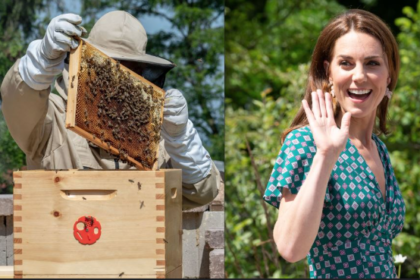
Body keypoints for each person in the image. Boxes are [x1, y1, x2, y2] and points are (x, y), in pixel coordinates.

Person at [1, 10, 221, 210]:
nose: (117, 83)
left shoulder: (157, 141)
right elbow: (18, 105)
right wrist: (39, 63)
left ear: (142, 75)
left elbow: (202, 191)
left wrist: (180, 137)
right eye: (107, 67)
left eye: (128, 70)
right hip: (61, 250)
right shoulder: (53, 119)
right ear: (86, 65)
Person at [263, 9, 405, 278]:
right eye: (346, 63)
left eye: (373, 63)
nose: (360, 76)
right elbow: (290, 249)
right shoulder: (305, 143)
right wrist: (326, 155)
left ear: (389, 75)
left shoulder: (380, 150)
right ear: (328, 72)